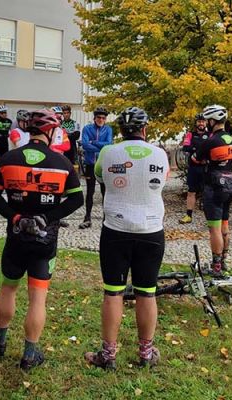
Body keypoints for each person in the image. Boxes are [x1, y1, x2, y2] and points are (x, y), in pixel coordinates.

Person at [0, 109, 84, 371]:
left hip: (16, 238)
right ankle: (29, 355)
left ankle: (0, 343)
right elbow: (77, 199)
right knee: (37, 298)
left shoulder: (8, 158)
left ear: (29, 130)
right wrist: (48, 217)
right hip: (45, 239)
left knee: (8, 288)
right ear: (50, 132)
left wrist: (16, 217)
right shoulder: (61, 163)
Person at [83, 107, 168, 369]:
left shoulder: (109, 152)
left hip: (116, 229)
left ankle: (108, 355)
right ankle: (146, 353)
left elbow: (99, 176)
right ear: (145, 129)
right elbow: (162, 181)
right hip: (151, 230)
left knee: (113, 293)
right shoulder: (161, 154)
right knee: (147, 293)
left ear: (119, 131)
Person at [194, 105, 232, 275]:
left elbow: (196, 159)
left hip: (213, 186)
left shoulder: (210, 141)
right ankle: (224, 260)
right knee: (225, 225)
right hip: (230, 184)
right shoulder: (231, 139)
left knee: (214, 229)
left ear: (212, 121)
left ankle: (216, 266)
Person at [79, 107, 113, 229]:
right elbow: (85, 145)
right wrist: (99, 146)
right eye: (99, 117)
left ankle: (106, 219)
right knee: (90, 192)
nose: (101, 119)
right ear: (94, 118)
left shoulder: (108, 129)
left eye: (103, 118)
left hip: (103, 165)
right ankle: (87, 218)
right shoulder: (87, 128)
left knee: (105, 192)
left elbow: (109, 144)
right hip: (90, 164)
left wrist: (94, 142)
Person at [179, 113, 210, 224]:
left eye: (203, 121)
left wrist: (199, 152)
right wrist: (199, 148)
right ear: (196, 123)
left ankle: (210, 217)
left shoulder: (210, 134)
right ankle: (188, 215)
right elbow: (185, 147)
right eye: (199, 121)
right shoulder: (190, 134)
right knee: (191, 192)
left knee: (208, 191)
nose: (201, 123)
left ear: (206, 123)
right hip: (193, 167)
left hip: (206, 167)